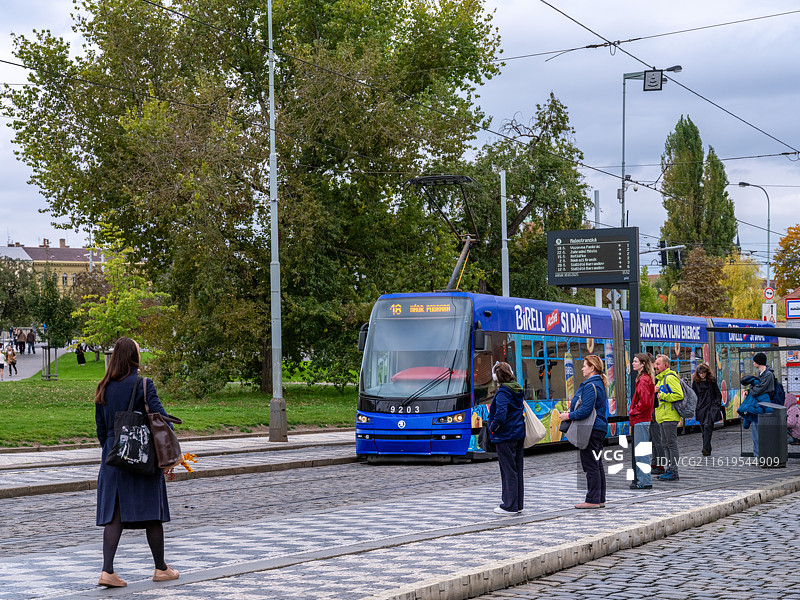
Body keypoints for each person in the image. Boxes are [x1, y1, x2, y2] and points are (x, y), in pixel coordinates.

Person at [95, 337, 179, 588]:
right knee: (152, 511)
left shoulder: (104, 387)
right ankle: (161, 568)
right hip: (141, 455)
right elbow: (161, 419)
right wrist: (170, 452)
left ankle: (107, 571)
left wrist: (114, 450)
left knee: (114, 514)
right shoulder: (144, 384)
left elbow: (101, 430)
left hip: (112, 456)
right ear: (134, 356)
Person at [559, 354, 609, 509]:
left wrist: (567, 415)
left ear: (592, 368)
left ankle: (592, 499)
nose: (582, 368)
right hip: (598, 428)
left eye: (584, 365)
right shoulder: (599, 383)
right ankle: (599, 498)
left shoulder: (590, 386)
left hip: (590, 429)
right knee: (597, 464)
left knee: (590, 465)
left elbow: (585, 411)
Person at [488, 361, 526, 515]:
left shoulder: (504, 392)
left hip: (505, 435)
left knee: (508, 470)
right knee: (517, 469)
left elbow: (500, 414)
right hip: (518, 433)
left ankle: (509, 505)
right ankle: (518, 504)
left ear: (497, 376)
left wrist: (492, 427)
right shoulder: (517, 389)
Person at [738, 352, 775, 460]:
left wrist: (750, 391)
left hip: (764, 406)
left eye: (754, 361)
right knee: (756, 433)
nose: (753, 363)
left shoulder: (768, 375)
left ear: (759, 362)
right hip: (758, 406)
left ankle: (762, 456)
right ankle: (758, 455)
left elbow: (760, 389)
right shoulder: (761, 375)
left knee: (761, 433)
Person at [654, 354, 683, 482]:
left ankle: (673, 470)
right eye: (655, 364)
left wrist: (663, 395)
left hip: (669, 417)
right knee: (665, 444)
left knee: (671, 444)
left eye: (658, 364)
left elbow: (679, 395)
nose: (655, 366)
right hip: (662, 417)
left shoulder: (670, 378)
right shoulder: (660, 379)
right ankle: (668, 469)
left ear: (665, 365)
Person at [629, 353, 655, 489]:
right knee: (641, 451)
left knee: (641, 452)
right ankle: (644, 480)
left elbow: (644, 402)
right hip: (643, 419)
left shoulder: (643, 380)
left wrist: (633, 410)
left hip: (641, 419)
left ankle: (644, 481)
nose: (633, 363)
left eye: (635, 361)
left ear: (643, 364)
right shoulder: (645, 378)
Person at [692, 363, 722, 456]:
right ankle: (707, 447)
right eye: (700, 373)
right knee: (704, 429)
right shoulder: (695, 382)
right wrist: (695, 407)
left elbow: (718, 393)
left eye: (703, 373)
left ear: (706, 372)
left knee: (707, 427)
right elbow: (694, 395)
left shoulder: (711, 380)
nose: (702, 375)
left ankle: (705, 448)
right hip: (701, 408)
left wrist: (715, 405)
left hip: (710, 407)